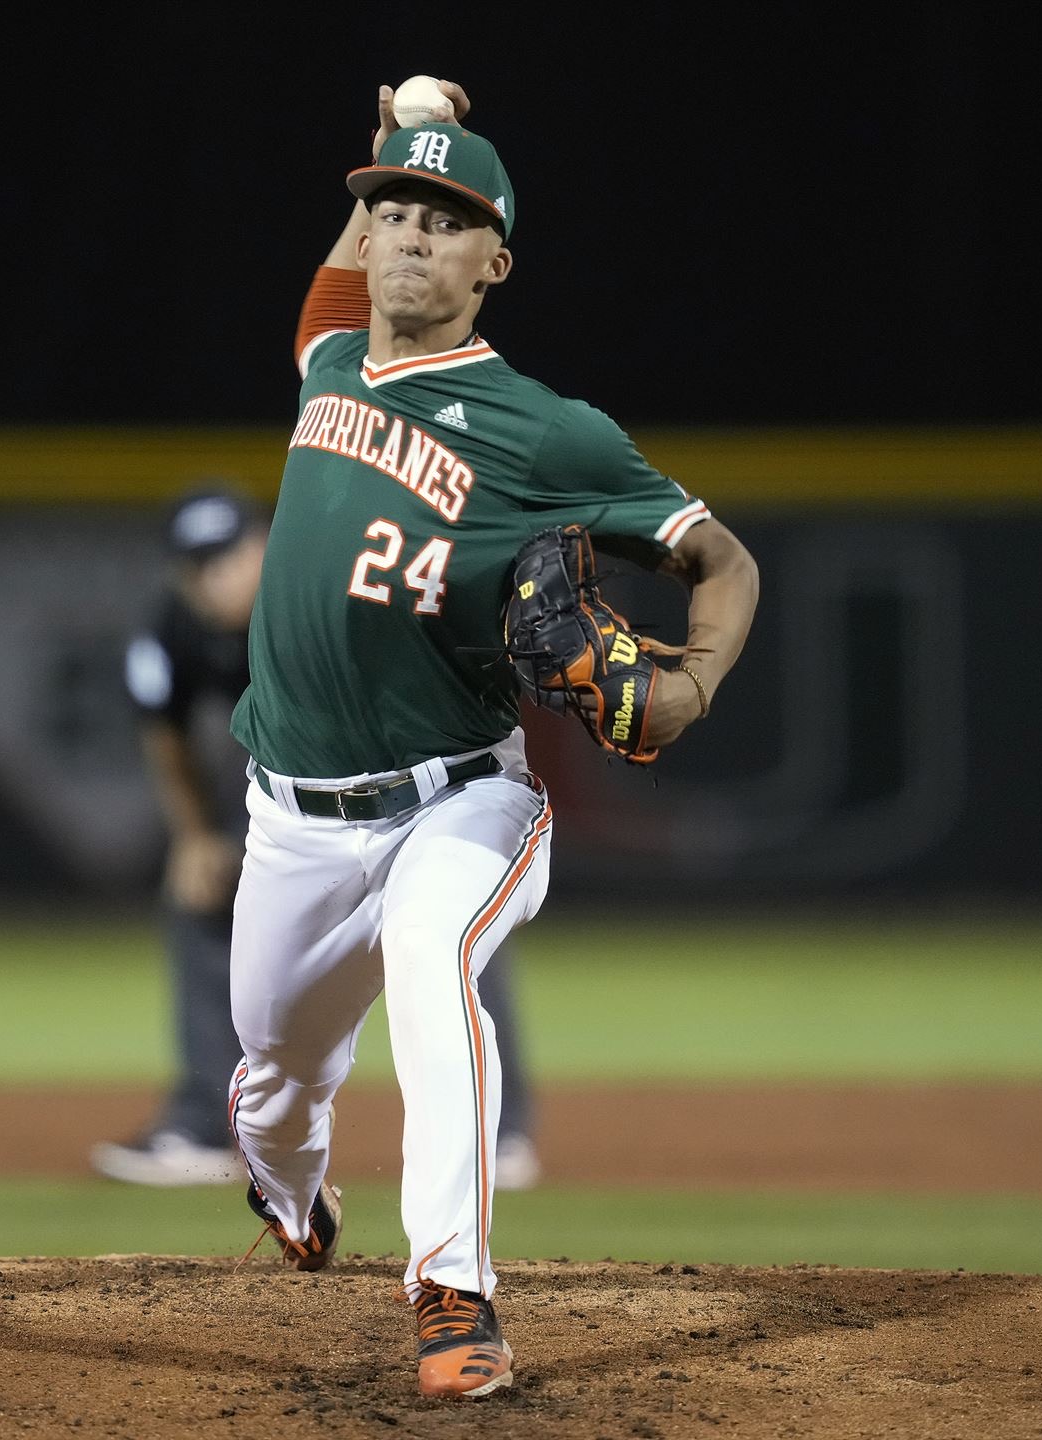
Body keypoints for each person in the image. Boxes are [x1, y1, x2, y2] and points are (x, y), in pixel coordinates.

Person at [224, 79, 758, 1399]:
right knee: (269, 1090)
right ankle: (295, 1203)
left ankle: (455, 1300)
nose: (407, 233)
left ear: (492, 261)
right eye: (393, 213)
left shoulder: (548, 430)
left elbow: (722, 558)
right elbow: (358, 233)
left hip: (458, 801)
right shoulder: (329, 356)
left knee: (430, 960)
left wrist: (687, 686)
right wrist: (406, 127)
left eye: (444, 218)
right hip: (289, 819)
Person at [89, 484, 543, 1189]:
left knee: (452, 923)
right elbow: (167, 735)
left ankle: (502, 1130)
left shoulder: (321, 593)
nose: (220, 577)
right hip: (288, 801)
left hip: (401, 778)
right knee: (201, 897)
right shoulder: (174, 626)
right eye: (201, 564)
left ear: (264, 544)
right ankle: (205, 1128)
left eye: (232, 554)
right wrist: (195, 836)